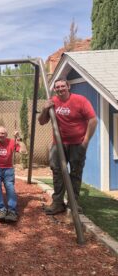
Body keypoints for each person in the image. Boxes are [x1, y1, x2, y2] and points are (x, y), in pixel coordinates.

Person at [38, 79, 97, 215]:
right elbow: (41, 121)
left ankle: (73, 203)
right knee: (57, 171)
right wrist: (44, 108)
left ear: (68, 87)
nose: (60, 89)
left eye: (62, 86)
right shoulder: (52, 102)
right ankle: (58, 203)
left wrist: (86, 141)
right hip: (58, 144)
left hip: (77, 144)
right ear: (55, 89)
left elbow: (93, 120)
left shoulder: (80, 100)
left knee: (75, 173)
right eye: (57, 87)